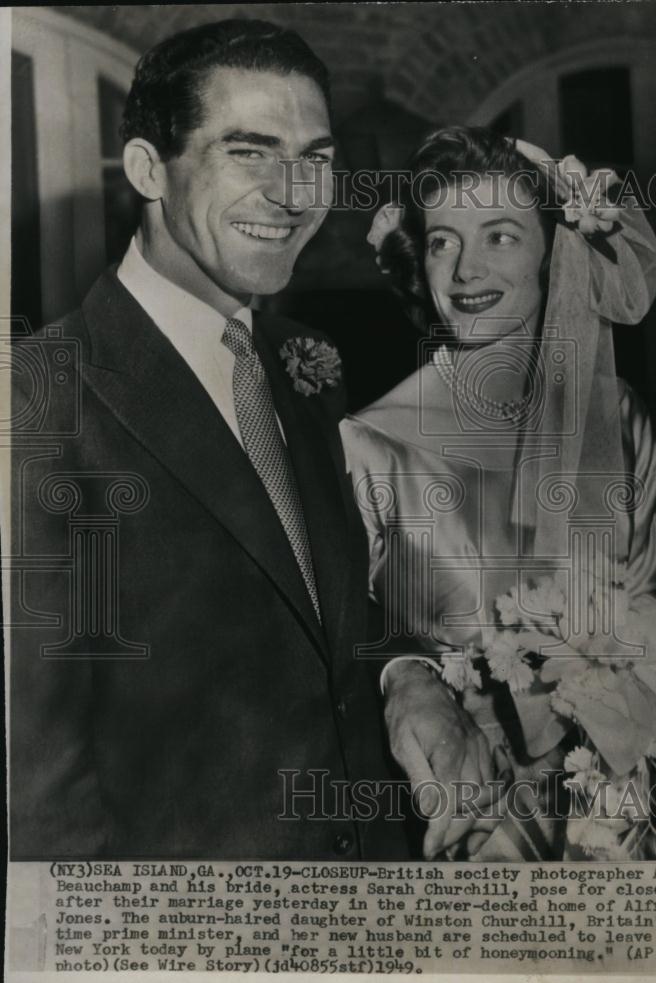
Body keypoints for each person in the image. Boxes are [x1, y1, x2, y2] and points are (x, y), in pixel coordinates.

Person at [10, 18, 461, 860]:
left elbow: (320, 596)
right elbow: (37, 789)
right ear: (148, 168)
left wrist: (407, 675)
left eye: (316, 157)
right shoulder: (35, 402)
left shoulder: (303, 365)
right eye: (248, 152)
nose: (293, 195)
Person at [341, 126, 656, 860]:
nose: (463, 271)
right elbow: (341, 650)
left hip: (612, 814)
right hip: (459, 822)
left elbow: (645, 620)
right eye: (441, 242)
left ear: (558, 252)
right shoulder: (367, 443)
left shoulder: (614, 416)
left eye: (500, 237)